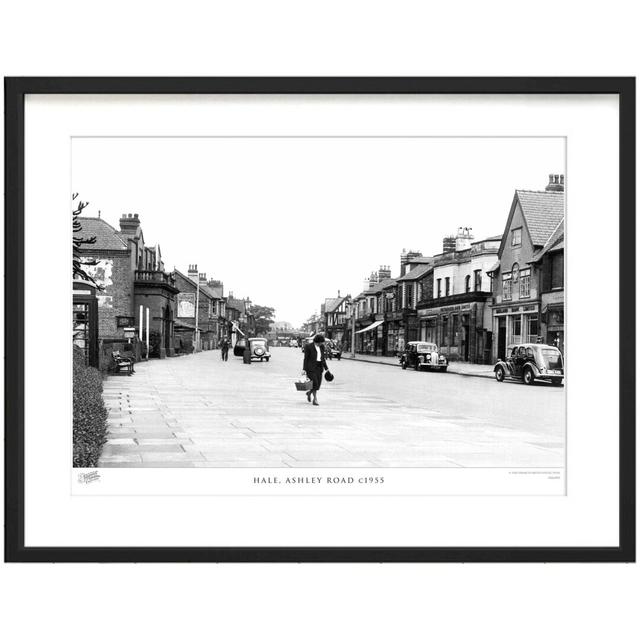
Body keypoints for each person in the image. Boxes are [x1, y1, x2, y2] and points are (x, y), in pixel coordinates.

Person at [302, 334, 329, 406]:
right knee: (315, 383)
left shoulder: (322, 347)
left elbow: (323, 358)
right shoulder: (308, 346)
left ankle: (309, 393)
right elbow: (306, 359)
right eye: (321, 342)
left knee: (318, 385)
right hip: (311, 368)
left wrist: (327, 368)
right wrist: (304, 369)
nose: (322, 343)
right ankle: (315, 399)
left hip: (319, 367)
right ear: (317, 341)